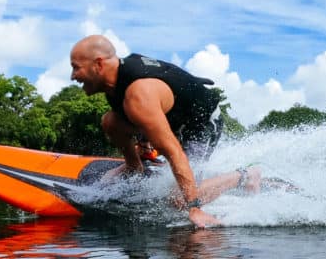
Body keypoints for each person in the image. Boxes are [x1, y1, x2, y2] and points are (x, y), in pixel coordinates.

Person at [69, 34, 257, 227]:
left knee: (177, 199)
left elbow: (173, 152)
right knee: (110, 121)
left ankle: (245, 176)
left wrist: (193, 207)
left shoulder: (139, 94)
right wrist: (143, 144)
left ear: (98, 64)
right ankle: (134, 167)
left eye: (76, 67)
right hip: (174, 118)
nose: (72, 76)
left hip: (202, 124)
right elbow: (144, 117)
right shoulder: (117, 81)